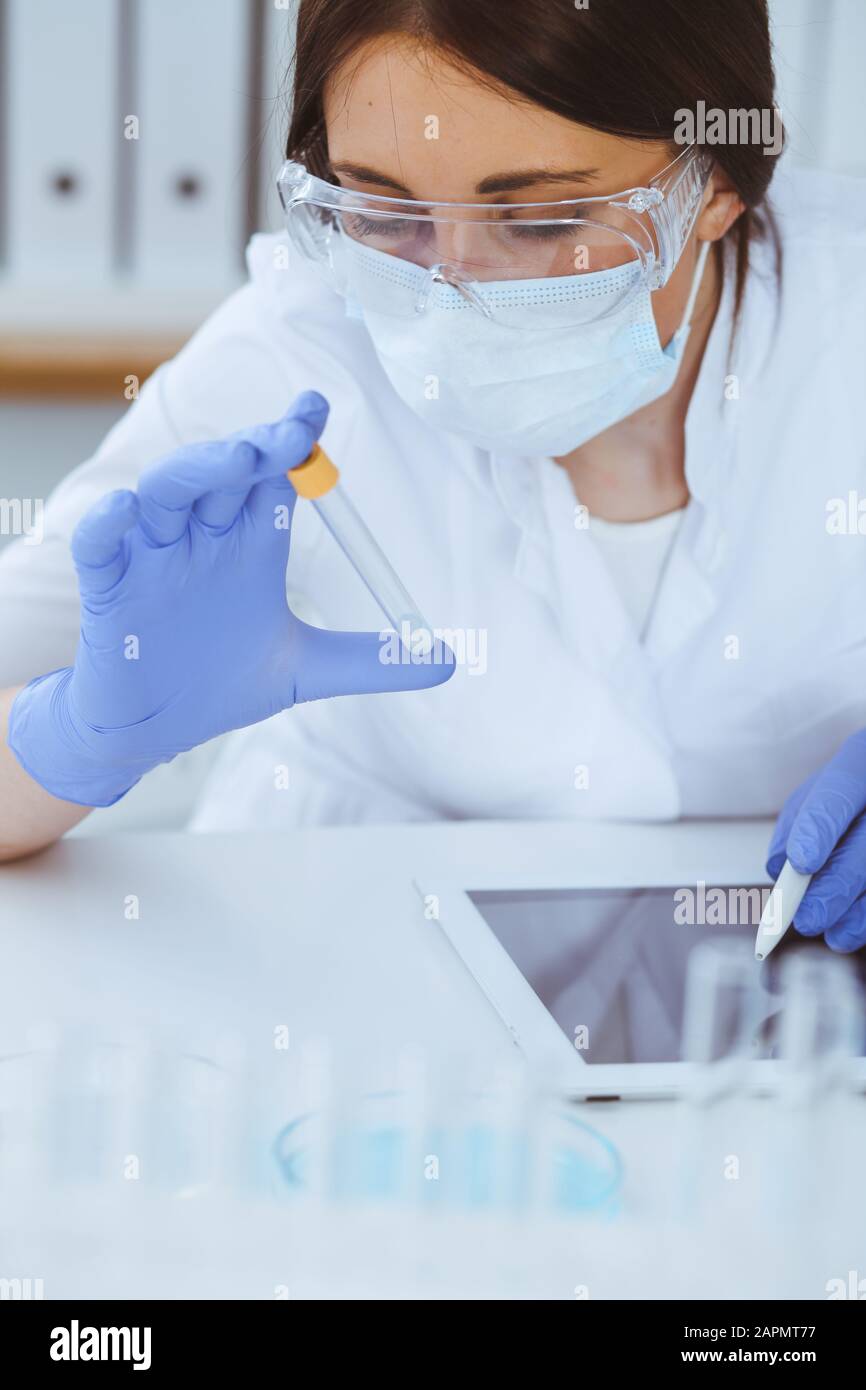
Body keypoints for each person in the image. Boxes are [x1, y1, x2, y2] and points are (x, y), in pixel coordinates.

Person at [2, 0, 866, 952]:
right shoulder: (291, 359)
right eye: (381, 209)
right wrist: (81, 734)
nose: (452, 291)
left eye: (541, 220)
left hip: (784, 1027)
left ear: (714, 186)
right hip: (336, 988)